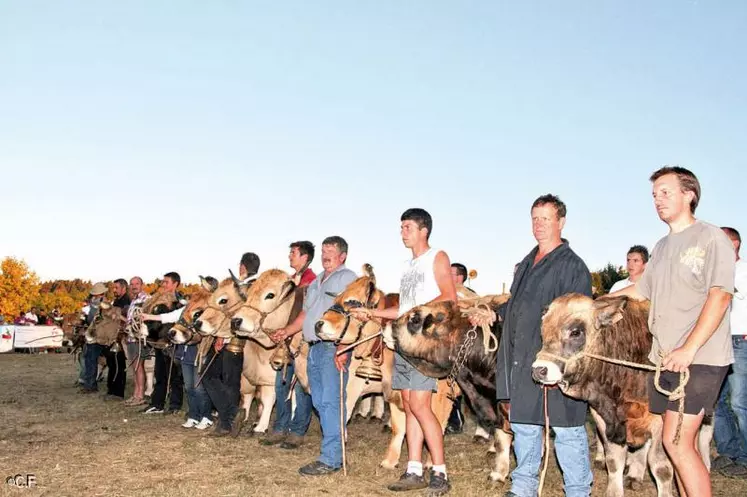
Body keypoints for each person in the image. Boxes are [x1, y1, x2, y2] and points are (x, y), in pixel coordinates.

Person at [609, 167, 735, 497]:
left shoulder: (711, 237)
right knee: (678, 444)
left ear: (689, 194)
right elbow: (638, 292)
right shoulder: (662, 247)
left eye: (665, 192)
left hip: (699, 357)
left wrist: (689, 349)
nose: (657, 200)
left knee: (675, 442)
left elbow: (720, 296)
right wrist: (589, 302)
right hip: (664, 359)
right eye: (654, 195)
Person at [495, 194, 594, 497]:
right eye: (535, 218)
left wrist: (561, 368)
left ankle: (578, 491)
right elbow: (517, 306)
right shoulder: (526, 263)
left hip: (555, 361)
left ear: (561, 222)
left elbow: (577, 322)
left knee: (566, 430)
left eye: (545, 219)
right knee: (524, 425)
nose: (538, 225)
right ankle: (523, 487)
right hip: (521, 359)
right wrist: (492, 313)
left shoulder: (572, 266)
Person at [353, 208, 457, 496]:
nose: (403, 232)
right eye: (401, 227)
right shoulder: (408, 266)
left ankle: (439, 472)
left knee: (421, 406)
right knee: (409, 405)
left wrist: (416, 312)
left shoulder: (436, 257)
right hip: (404, 340)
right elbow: (402, 308)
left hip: (424, 342)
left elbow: (449, 296)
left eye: (408, 227)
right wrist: (372, 313)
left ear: (424, 230)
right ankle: (413, 469)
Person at [270, 236, 357, 476]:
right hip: (313, 348)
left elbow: (352, 315)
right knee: (319, 402)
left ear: (343, 256)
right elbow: (306, 316)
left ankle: (331, 459)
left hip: (332, 347)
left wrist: (343, 347)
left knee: (330, 401)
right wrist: (286, 331)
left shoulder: (348, 279)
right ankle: (331, 452)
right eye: (324, 251)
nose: (326, 255)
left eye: (331, 251)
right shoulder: (318, 281)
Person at [260, 241, 316, 449]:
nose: (290, 256)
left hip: (301, 342)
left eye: (293, 253)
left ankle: (297, 431)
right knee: (281, 384)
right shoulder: (289, 280)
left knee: (302, 387)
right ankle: (279, 428)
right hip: (284, 342)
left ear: (305, 257)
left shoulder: (312, 282)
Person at [202, 253, 259, 436]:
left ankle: (227, 422)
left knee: (228, 382)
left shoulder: (248, 287)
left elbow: (237, 314)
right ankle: (231, 416)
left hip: (238, 341)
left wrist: (223, 337)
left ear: (242, 267)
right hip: (226, 337)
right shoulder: (248, 285)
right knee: (214, 377)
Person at [712, 227, 746, 479]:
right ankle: (729, 451)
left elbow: (727, 295)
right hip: (718, 341)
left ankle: (744, 457)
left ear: (733, 244)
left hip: (740, 341)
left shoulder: (742, 271)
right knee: (716, 401)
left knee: (739, 402)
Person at [143, 272, 185, 414]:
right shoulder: (157, 301)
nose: (163, 285)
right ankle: (157, 404)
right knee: (159, 374)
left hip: (172, 344)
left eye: (166, 282)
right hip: (158, 343)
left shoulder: (180, 303)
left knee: (175, 376)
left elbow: (174, 320)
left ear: (175, 284)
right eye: (163, 282)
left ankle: (175, 405)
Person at [124, 276, 150, 406]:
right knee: (134, 367)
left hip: (138, 338)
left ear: (142, 285)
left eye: (137, 284)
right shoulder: (134, 300)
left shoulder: (146, 299)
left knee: (138, 367)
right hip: (130, 337)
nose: (134, 286)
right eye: (132, 284)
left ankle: (140, 395)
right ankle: (136, 393)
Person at [102, 278, 130, 399]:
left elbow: (124, 318)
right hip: (112, 337)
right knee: (112, 364)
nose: (114, 290)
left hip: (119, 338)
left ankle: (117, 392)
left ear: (124, 288)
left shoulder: (126, 301)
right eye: (113, 288)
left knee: (118, 364)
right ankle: (111, 389)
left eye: (116, 288)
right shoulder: (117, 301)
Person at [80, 282, 109, 393]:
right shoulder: (94, 304)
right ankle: (89, 384)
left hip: (99, 336)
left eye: (96, 294)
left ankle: (90, 385)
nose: (94, 296)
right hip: (93, 335)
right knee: (89, 360)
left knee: (91, 360)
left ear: (101, 294)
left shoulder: (104, 305)